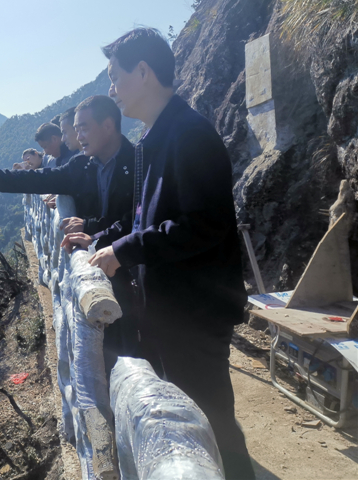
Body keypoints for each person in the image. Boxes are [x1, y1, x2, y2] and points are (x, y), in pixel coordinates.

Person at [62, 27, 255, 480]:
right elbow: (142, 218)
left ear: (144, 72)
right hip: (171, 309)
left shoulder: (190, 135)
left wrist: (124, 250)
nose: (112, 89)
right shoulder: (157, 137)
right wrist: (101, 240)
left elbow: (201, 225)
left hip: (195, 311)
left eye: (115, 76)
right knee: (191, 422)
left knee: (212, 427)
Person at [0, 95, 138, 368]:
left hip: (132, 272)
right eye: (75, 129)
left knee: (132, 352)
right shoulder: (83, 165)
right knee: (106, 348)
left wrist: (92, 229)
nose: (77, 136)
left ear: (108, 125)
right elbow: (36, 179)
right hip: (99, 268)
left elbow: (136, 218)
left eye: (84, 128)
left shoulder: (137, 163)